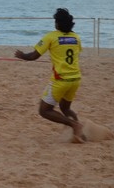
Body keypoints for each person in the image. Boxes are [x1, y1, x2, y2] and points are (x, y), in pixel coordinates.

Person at [14, 8, 86, 143]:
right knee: (66, 108)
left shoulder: (51, 36)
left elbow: (33, 56)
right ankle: (80, 132)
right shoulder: (76, 37)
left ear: (58, 23)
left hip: (61, 80)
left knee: (44, 110)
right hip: (75, 79)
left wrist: (22, 55)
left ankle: (75, 125)